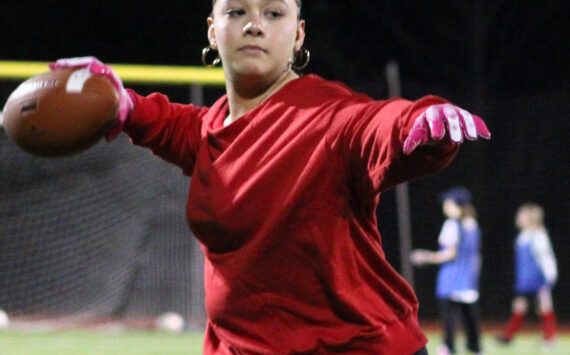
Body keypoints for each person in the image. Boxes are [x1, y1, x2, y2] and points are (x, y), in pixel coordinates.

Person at [49, 0, 491, 353]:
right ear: (212, 30)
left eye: (273, 13)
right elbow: (164, 122)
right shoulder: (210, 130)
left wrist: (421, 120)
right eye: (237, 11)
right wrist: (116, 100)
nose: (254, 25)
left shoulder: (326, 115)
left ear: (298, 35)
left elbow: (373, 126)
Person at [410, 187, 482, 355]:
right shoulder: (473, 225)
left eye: (448, 203)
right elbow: (476, 257)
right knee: (470, 318)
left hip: (451, 279)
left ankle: (448, 347)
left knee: (449, 318)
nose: (445, 206)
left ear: (456, 205)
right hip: (468, 280)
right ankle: (475, 347)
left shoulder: (451, 225)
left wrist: (425, 257)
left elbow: (450, 254)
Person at [497, 202, 557, 346]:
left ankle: (550, 338)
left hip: (538, 279)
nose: (518, 217)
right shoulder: (522, 236)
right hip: (524, 280)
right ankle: (508, 336)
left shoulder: (539, 236)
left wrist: (549, 278)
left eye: (521, 215)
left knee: (544, 307)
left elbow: (547, 259)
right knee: (519, 306)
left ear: (530, 219)